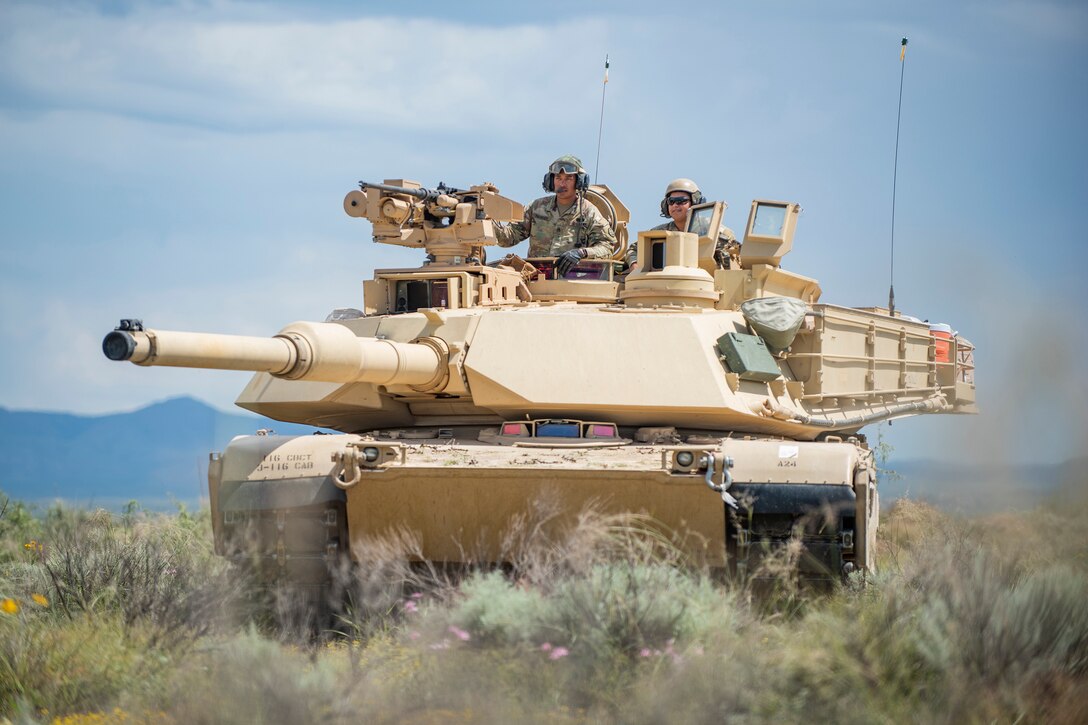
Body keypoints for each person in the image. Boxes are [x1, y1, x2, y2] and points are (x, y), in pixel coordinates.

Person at [495, 155, 617, 276]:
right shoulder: (537, 207)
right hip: (536, 280)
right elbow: (508, 238)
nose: (562, 184)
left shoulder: (589, 212)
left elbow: (607, 248)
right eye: (558, 178)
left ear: (579, 181)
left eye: (568, 178)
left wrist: (582, 253)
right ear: (551, 181)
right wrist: (486, 218)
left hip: (571, 282)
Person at [625, 178, 739, 270]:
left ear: (695, 202)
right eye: (671, 201)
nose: (675, 205)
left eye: (681, 201)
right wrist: (634, 265)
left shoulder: (715, 231)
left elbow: (733, 261)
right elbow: (633, 249)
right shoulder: (659, 233)